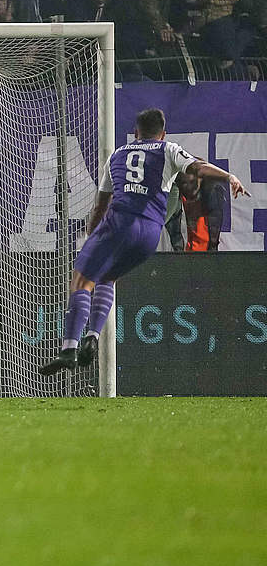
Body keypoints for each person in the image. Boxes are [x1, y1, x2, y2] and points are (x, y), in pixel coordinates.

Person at [41, 109, 248, 375]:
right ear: (163, 133)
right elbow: (198, 167)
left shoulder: (117, 155)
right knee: (108, 278)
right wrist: (229, 176)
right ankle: (93, 335)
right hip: (149, 233)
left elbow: (100, 207)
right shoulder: (169, 149)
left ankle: (69, 349)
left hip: (119, 224)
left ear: (135, 132)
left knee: (82, 280)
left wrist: (93, 238)